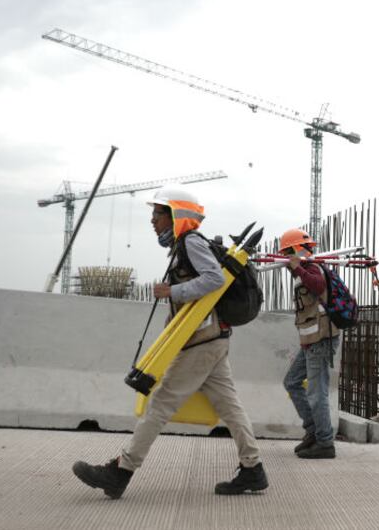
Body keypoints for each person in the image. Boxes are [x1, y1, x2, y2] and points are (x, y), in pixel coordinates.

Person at [72, 185, 267, 498]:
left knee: (160, 403)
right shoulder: (183, 245)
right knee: (230, 407)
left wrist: (173, 292)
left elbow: (214, 279)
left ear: (176, 215)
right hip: (212, 340)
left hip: (202, 343)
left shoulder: (190, 242)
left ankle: (120, 471)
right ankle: (253, 469)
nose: (152, 220)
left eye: (157, 213)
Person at [280, 228, 340, 459]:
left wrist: (297, 268)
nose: (285, 257)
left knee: (317, 393)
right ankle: (313, 431)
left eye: (287, 252)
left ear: (296, 249)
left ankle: (325, 443)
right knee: (292, 382)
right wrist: (295, 269)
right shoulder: (304, 270)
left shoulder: (314, 268)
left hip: (321, 340)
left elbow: (317, 286)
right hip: (310, 341)